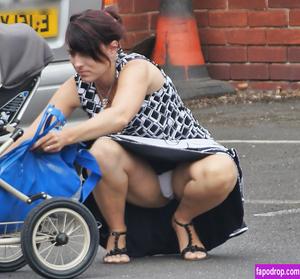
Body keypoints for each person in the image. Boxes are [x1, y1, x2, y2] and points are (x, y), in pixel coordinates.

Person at [18, 8, 246, 264]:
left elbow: (119, 116)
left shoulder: (138, 68)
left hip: (188, 171)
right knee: (101, 150)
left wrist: (67, 135)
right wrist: (6, 150)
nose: (78, 62)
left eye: (87, 53)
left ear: (113, 47)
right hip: (141, 182)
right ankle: (118, 233)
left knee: (223, 168)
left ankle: (183, 220)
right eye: (73, 53)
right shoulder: (78, 85)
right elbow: (36, 129)